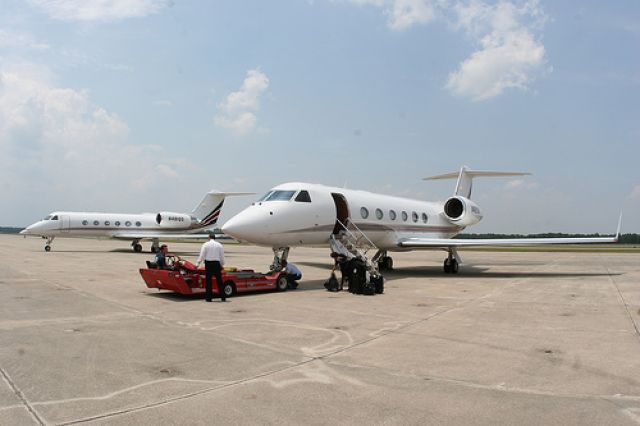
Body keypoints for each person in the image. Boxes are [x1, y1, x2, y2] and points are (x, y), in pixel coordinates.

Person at [197, 234, 225, 302]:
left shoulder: (205, 244)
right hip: (216, 264)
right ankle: (223, 297)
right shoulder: (219, 245)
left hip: (208, 264)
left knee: (208, 282)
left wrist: (198, 263)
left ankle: (209, 298)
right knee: (219, 281)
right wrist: (222, 264)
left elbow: (202, 255)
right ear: (215, 238)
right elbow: (222, 256)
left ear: (209, 238)